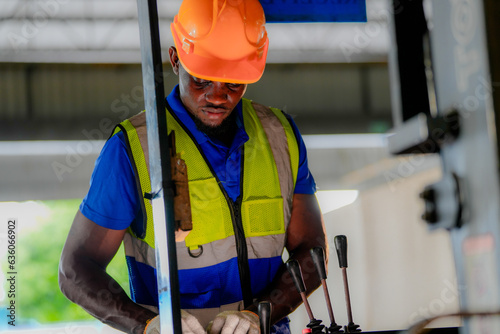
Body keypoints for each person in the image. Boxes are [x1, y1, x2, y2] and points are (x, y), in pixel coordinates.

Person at [58, 0, 327, 333]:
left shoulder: (281, 136)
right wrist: (148, 325)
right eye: (202, 80)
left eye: (233, 83)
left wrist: (259, 315)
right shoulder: (134, 149)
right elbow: (75, 269)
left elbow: (311, 251)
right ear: (175, 59)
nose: (217, 96)